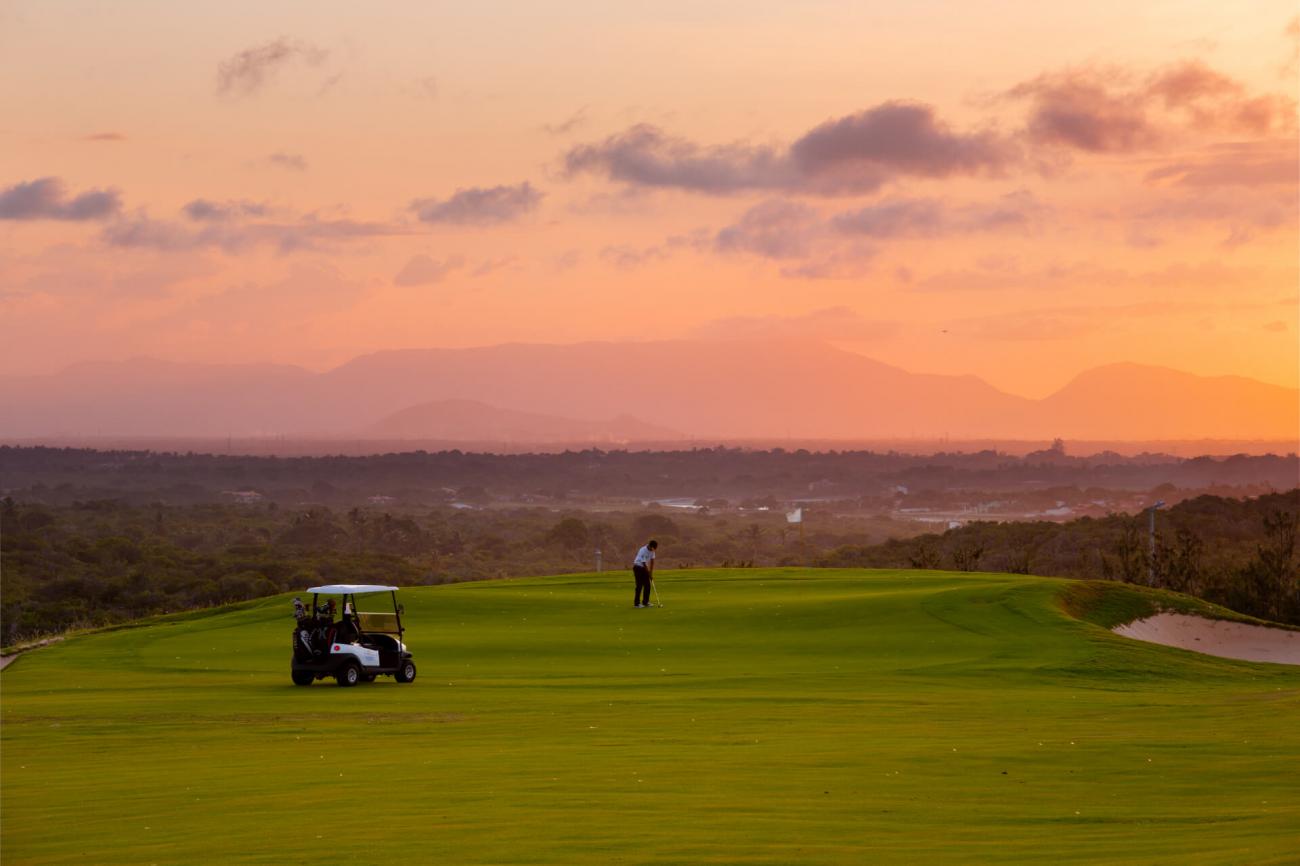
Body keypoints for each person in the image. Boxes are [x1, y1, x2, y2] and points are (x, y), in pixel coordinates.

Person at [632, 539, 658, 608]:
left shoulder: (652, 551)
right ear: (650, 546)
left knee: (647, 585)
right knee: (639, 586)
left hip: (643, 568)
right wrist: (648, 573)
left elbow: (652, 562)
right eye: (653, 548)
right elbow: (644, 563)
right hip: (638, 567)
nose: (653, 550)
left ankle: (645, 602)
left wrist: (651, 573)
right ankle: (636, 604)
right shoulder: (643, 550)